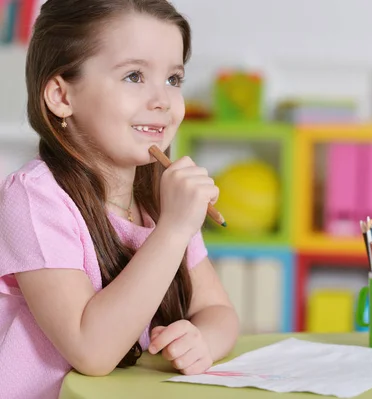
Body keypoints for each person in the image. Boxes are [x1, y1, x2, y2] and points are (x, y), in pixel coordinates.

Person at [0, 1, 240, 398]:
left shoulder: (160, 199)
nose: (162, 100)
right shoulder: (34, 198)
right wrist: (175, 228)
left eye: (174, 79)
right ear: (61, 96)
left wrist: (202, 341)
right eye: (134, 76)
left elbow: (220, 312)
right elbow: (91, 351)